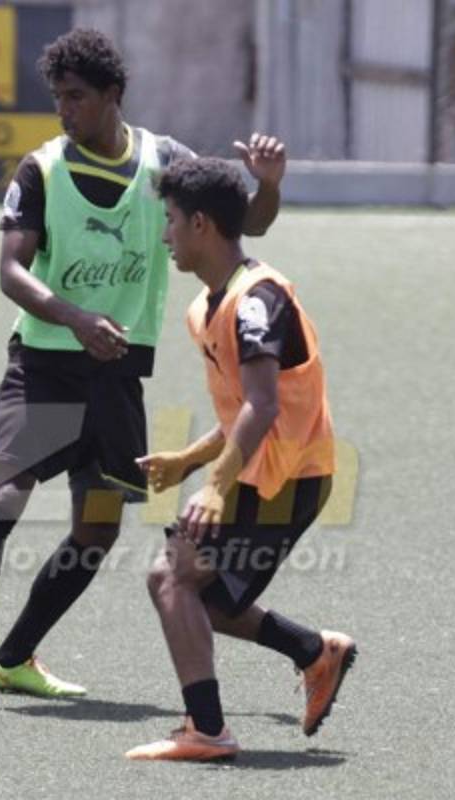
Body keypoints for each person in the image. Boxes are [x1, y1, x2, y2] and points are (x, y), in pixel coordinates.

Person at [0, 28, 287, 697]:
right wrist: (76, 318)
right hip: (43, 364)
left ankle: (12, 658)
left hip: (118, 376)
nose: (64, 110)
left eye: (77, 97)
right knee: (5, 493)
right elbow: (10, 271)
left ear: (113, 95)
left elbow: (250, 225)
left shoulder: (165, 162)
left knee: (96, 528)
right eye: (58, 98)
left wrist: (266, 186)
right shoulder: (40, 169)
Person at [124, 157, 355, 761]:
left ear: (201, 223)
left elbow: (262, 405)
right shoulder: (206, 308)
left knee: (171, 578)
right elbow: (238, 416)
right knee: (204, 599)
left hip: (286, 478)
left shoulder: (258, 301)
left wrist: (214, 486)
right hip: (264, 474)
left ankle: (208, 731)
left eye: (171, 220)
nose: (166, 233)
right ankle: (314, 652)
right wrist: (188, 460)